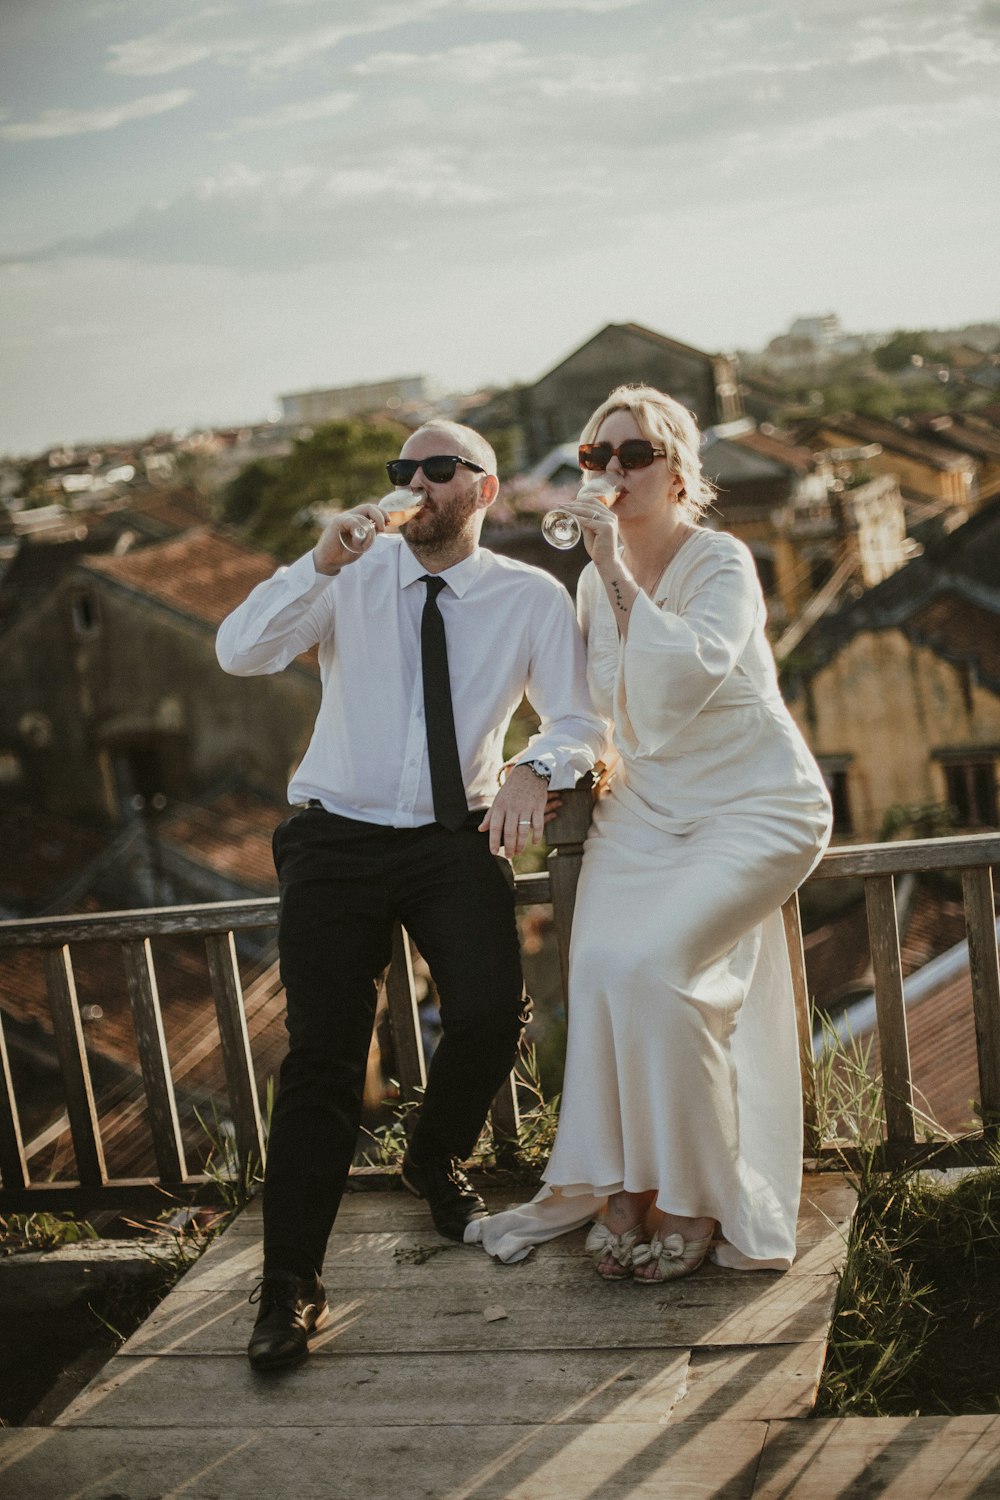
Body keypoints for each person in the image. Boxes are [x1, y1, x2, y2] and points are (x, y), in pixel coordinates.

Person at [216, 419, 605, 1369]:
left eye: (440, 469)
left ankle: (433, 1156)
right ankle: (289, 1288)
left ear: (486, 488)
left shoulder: (528, 597)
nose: (418, 484)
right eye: (404, 470)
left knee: (487, 1016)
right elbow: (240, 652)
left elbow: (580, 717)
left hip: (453, 832)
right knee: (323, 1056)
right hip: (335, 837)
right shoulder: (346, 577)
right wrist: (315, 562)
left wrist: (534, 768)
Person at [466, 385, 832, 1281]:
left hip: (754, 804)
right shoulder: (591, 580)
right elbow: (595, 713)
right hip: (644, 807)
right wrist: (535, 768)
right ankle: (619, 1177)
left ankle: (692, 1194)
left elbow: (682, 681)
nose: (613, 473)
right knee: (597, 968)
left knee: (663, 973)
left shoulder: (721, 561)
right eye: (599, 457)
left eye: (634, 456)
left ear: (679, 472)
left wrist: (616, 568)